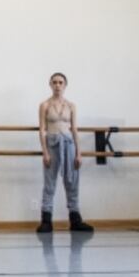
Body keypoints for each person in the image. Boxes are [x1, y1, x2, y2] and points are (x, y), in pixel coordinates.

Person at [36, 72, 93, 233]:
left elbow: (74, 129)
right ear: (50, 85)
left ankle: (75, 219)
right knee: (50, 182)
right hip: (52, 144)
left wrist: (79, 153)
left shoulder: (71, 106)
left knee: (72, 181)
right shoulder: (45, 105)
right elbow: (42, 130)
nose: (57, 85)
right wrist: (45, 152)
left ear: (65, 85)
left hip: (69, 144)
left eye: (60, 82)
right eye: (54, 82)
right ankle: (46, 220)